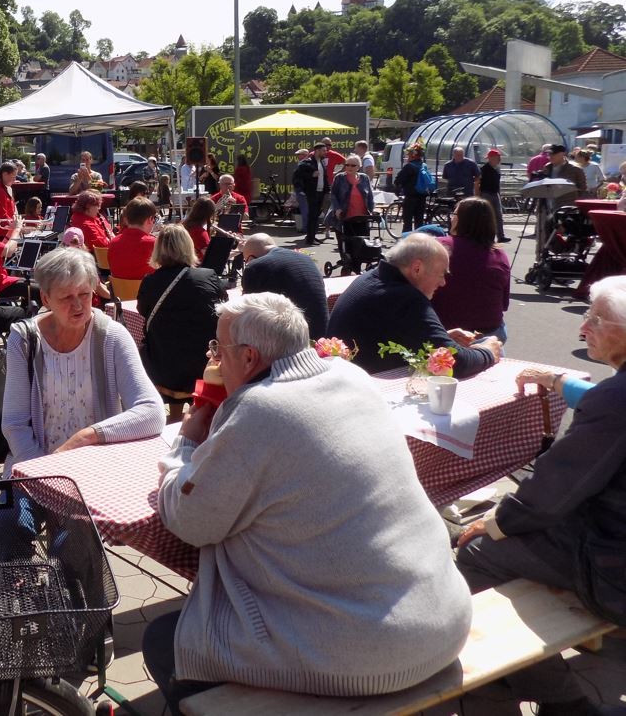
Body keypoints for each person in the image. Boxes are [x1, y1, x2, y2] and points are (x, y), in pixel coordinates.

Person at [146, 292, 471, 707]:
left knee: (165, 640)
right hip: (444, 617)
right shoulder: (349, 376)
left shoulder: (259, 410)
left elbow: (190, 520)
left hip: (377, 653)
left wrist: (187, 442)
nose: (214, 359)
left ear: (247, 358)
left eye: (217, 348)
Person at [453, 276, 626, 713]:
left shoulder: (615, 402)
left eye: (594, 319)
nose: (583, 328)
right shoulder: (612, 398)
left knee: (472, 552)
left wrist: (493, 523)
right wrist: (559, 380)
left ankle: (561, 698)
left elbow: (550, 494)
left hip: (611, 562)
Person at [1, 246, 164, 475]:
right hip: (34, 465)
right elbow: (15, 424)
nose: (78, 306)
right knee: (14, 513)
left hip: (97, 469)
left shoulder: (111, 336)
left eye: (85, 294)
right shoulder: (25, 340)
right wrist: (43, 470)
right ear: (46, 298)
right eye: (67, 297)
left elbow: (152, 412)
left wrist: (87, 436)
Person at [328, 233, 503, 377]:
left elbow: (389, 334)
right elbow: (456, 364)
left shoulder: (373, 278)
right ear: (417, 268)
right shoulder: (405, 297)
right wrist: (487, 352)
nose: (443, 283)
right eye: (441, 274)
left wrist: (440, 337)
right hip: (368, 392)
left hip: (346, 378)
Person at [137, 225, 225, 394]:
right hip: (202, 365)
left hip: (162, 365)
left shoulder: (150, 281)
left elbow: (142, 310)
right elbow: (223, 308)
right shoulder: (208, 276)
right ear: (188, 246)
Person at [431, 197, 511, 341]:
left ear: (462, 220)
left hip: (446, 331)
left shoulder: (440, 246)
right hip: (491, 332)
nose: (451, 218)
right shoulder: (499, 254)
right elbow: (504, 304)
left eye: (454, 214)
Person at [239, 233, 328, 340]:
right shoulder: (306, 259)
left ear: (251, 258)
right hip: (323, 334)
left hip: (293, 341)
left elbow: (248, 313)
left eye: (246, 261)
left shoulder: (255, 267)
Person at [108, 198, 158, 280]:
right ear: (150, 219)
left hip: (120, 291)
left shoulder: (113, 242)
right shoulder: (154, 243)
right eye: (154, 219)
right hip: (149, 291)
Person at [331, 154, 375, 244]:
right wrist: (337, 209)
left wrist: (371, 211)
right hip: (345, 217)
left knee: (363, 244)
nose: (349, 167)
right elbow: (333, 195)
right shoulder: (339, 178)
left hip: (362, 218)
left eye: (353, 165)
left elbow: (370, 196)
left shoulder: (364, 178)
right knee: (347, 245)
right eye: (347, 165)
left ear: (359, 167)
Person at [299, 142, 331, 245]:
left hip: (321, 193)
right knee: (312, 216)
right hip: (312, 192)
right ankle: (310, 239)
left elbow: (324, 177)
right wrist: (311, 175)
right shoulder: (308, 162)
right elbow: (299, 175)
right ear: (317, 151)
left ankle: (312, 236)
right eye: (323, 150)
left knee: (316, 216)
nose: (325, 152)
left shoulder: (321, 162)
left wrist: (327, 189)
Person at [394, 145, 430, 234]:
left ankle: (407, 240)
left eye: (408, 154)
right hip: (422, 197)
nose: (407, 157)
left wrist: (398, 188)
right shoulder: (423, 165)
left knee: (408, 221)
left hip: (410, 197)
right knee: (419, 220)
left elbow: (398, 180)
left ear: (413, 155)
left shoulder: (409, 167)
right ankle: (420, 240)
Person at [477, 149, 511, 242]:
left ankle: (501, 236)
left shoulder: (497, 169)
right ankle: (488, 236)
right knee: (487, 216)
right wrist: (478, 195)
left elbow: (497, 183)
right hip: (486, 194)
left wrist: (499, 194)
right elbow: (478, 182)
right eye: (490, 158)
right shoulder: (483, 169)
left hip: (495, 194)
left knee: (499, 216)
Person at [290, 147, 312, 231]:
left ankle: (306, 227)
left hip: (303, 191)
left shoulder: (304, 164)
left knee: (305, 209)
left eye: (299, 155)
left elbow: (303, 178)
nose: (297, 156)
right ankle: (306, 226)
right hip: (302, 190)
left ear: (304, 155)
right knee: (305, 209)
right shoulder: (305, 163)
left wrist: (302, 190)